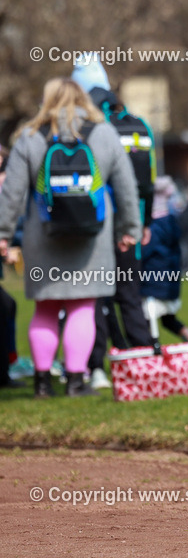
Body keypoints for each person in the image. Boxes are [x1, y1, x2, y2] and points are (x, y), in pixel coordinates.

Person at [0, 78, 140, 397]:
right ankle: (76, 381)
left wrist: (3, 233)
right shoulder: (103, 133)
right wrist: (129, 229)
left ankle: (42, 383)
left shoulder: (31, 136)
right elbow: (126, 187)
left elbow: (12, 194)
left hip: (43, 235)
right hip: (92, 238)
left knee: (45, 310)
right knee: (82, 307)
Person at [71, 55, 154, 390]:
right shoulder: (136, 124)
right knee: (130, 294)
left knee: (92, 298)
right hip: (128, 223)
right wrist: (142, 223)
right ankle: (145, 362)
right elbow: (147, 182)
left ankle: (95, 367)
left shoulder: (79, 125)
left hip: (91, 222)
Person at [140, 176, 188, 344]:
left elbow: (144, 253)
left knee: (144, 322)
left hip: (152, 284)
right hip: (169, 283)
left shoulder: (154, 228)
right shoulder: (172, 223)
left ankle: (151, 350)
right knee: (169, 320)